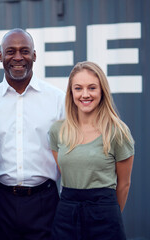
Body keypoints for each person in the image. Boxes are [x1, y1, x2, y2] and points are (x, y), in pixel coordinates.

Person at [0, 28, 65, 239]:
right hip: (0, 201)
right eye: (10, 51)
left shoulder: (58, 100)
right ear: (1, 56)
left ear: (34, 55)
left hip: (45, 202)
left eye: (24, 51)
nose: (17, 57)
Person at [49, 61, 134, 240]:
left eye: (92, 88)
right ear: (71, 93)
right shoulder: (58, 131)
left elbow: (124, 184)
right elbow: (65, 170)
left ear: (102, 90)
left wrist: (107, 214)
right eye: (78, 88)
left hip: (105, 216)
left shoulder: (118, 131)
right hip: (66, 214)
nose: (85, 94)